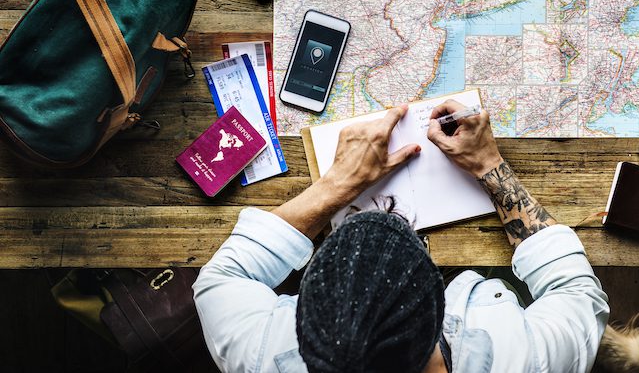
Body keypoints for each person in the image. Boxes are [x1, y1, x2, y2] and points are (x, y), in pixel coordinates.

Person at [193, 100, 610, 373]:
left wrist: (334, 186)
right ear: (438, 307)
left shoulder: (257, 352)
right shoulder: (526, 359)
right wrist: (489, 166)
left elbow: (220, 281)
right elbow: (577, 294)